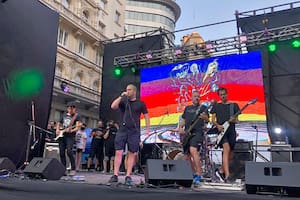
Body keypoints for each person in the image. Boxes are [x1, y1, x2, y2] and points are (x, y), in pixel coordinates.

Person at [109, 84, 150, 185]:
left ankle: (128, 175)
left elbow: (146, 117)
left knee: (132, 153)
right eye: (126, 89)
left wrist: (147, 130)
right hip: (122, 130)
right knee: (118, 152)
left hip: (134, 131)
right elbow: (113, 106)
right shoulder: (123, 101)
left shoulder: (140, 103)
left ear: (134, 91)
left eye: (129, 90)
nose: (127, 91)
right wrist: (121, 96)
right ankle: (115, 175)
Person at [178, 90, 209, 187]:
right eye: (195, 96)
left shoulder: (203, 108)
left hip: (197, 133)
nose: (197, 98)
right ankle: (193, 173)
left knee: (193, 150)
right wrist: (180, 128)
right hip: (188, 134)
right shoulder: (187, 108)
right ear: (191, 98)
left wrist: (204, 117)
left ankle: (199, 173)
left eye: (198, 96)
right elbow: (183, 120)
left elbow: (207, 120)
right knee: (186, 156)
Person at [210, 87, 240, 183]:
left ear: (227, 94)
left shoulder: (233, 105)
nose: (223, 96)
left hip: (231, 131)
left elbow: (237, 120)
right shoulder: (216, 106)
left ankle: (221, 170)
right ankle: (227, 176)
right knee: (226, 149)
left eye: (224, 94)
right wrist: (217, 126)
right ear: (219, 96)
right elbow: (213, 120)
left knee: (230, 153)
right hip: (222, 132)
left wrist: (233, 120)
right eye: (221, 95)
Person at [56, 102, 81, 176]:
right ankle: (63, 169)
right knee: (61, 152)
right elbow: (59, 123)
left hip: (70, 136)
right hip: (62, 135)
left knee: (69, 151)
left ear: (74, 109)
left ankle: (73, 168)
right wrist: (57, 129)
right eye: (69, 108)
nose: (70, 109)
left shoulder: (77, 116)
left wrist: (71, 130)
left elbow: (77, 127)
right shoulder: (64, 115)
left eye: (72, 108)